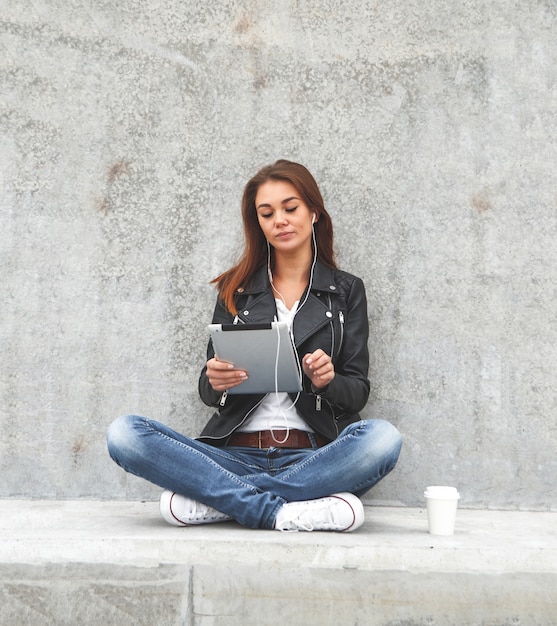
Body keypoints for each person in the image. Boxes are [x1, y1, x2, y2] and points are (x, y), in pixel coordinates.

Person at [106, 160, 402, 532]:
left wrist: (328, 381)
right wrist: (214, 380)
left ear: (313, 212)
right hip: (233, 455)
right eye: (267, 213)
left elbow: (357, 392)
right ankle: (285, 511)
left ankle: (225, 501)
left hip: (315, 456)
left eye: (290, 208)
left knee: (382, 439)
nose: (280, 219)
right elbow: (209, 393)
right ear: (258, 223)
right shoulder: (236, 288)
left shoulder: (346, 291)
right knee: (124, 433)